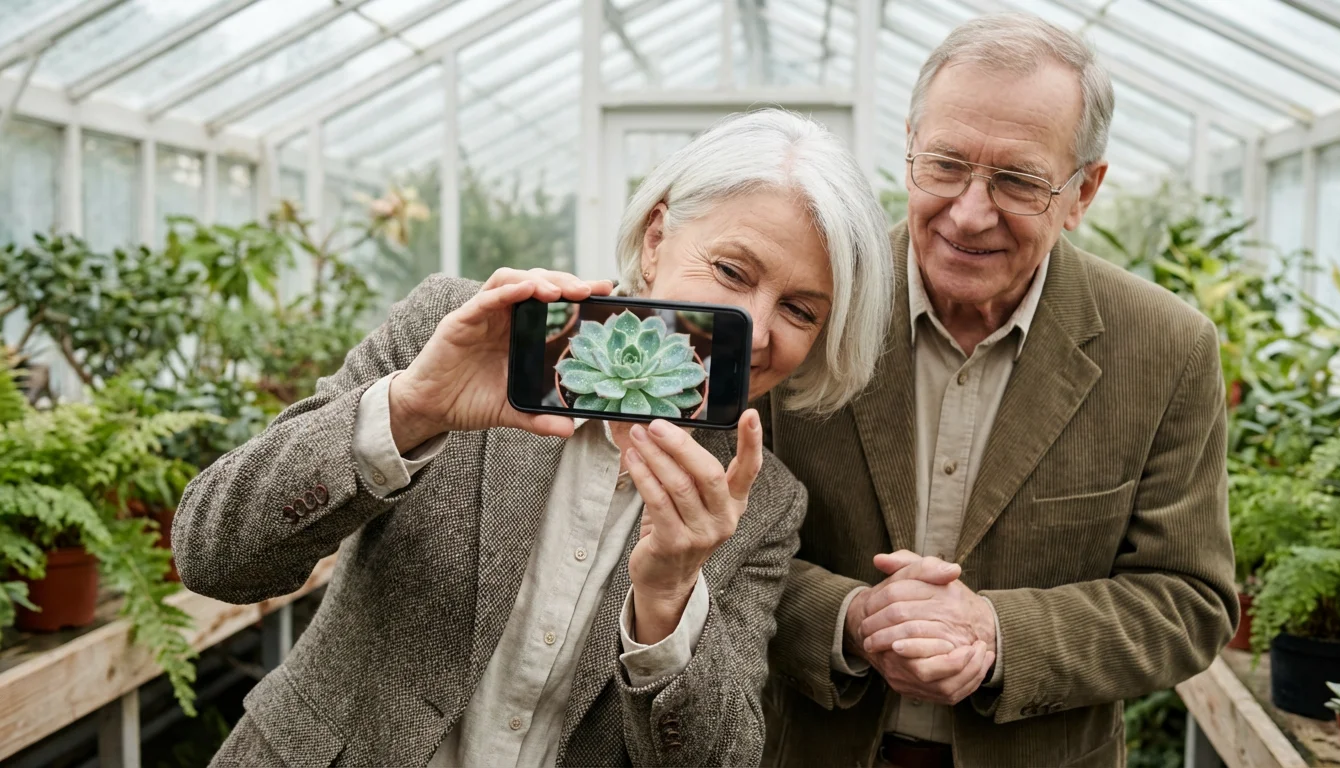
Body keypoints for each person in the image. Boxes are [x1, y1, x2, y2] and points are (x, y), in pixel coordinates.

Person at [172, 108, 893, 767]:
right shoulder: (460, 333)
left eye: (799, 311)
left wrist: (670, 598)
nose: (758, 330)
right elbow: (212, 557)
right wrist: (409, 411)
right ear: (656, 239)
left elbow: (717, 758)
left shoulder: (759, 505)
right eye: (733, 271)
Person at [762, 14, 1238, 768]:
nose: (970, 212)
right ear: (911, 149)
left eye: (1016, 180)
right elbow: (719, 542)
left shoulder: (1166, 347)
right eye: (945, 165)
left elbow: (1189, 602)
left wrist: (996, 634)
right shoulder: (810, 305)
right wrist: (850, 619)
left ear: (1083, 191)